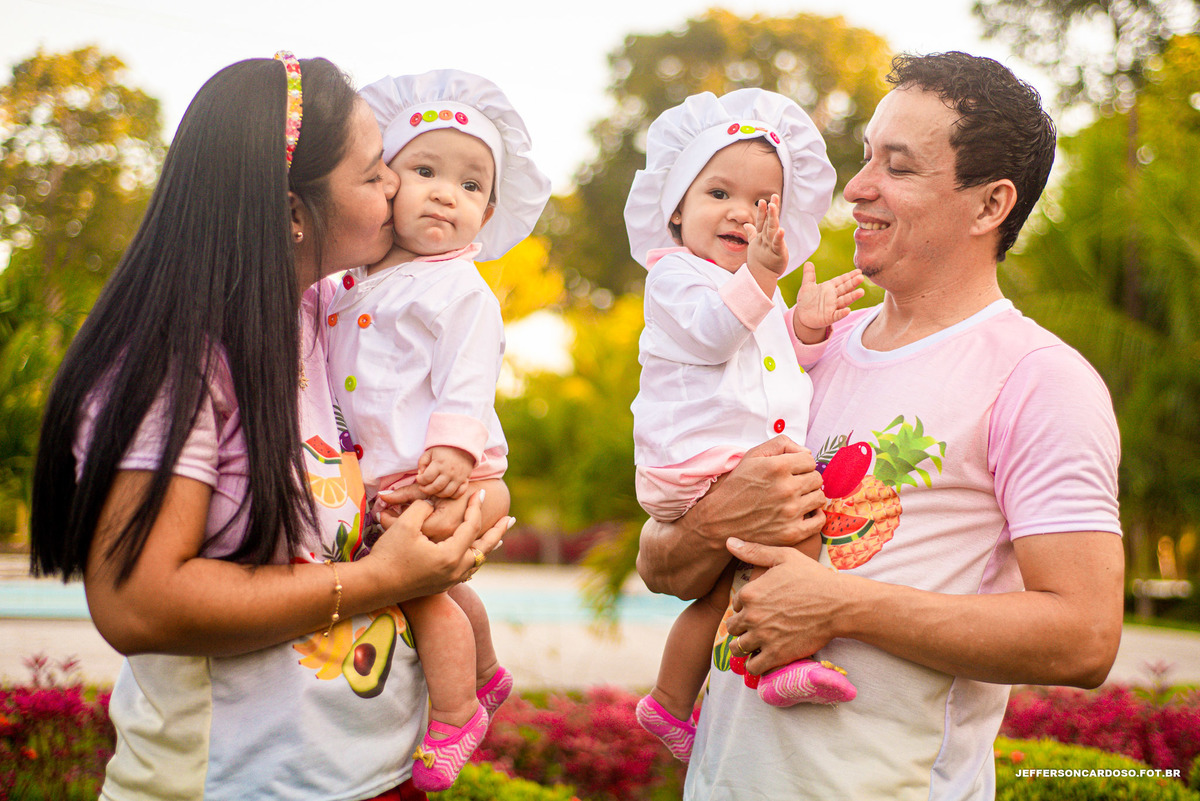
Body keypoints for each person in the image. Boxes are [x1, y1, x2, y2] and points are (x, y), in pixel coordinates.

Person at [636, 51, 1124, 800]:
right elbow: (661, 564)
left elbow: (1085, 636)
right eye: (865, 158)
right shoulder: (796, 348)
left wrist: (842, 605)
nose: (856, 189)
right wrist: (711, 525)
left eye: (897, 167)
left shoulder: (1039, 379)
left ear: (990, 205)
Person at [29, 53, 512, 801]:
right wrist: (381, 578)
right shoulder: (178, 363)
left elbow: (468, 463)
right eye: (373, 172)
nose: (397, 185)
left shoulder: (329, 323)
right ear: (293, 212)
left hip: (369, 777)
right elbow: (137, 601)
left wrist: (471, 510)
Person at [324, 69, 551, 791]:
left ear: (489, 211)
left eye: (473, 185)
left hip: (447, 469)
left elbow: (469, 375)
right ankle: (484, 672)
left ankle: (455, 717)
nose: (448, 193)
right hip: (386, 477)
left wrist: (453, 448)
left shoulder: (459, 286)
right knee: (442, 586)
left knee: (420, 591)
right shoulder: (350, 281)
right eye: (425, 170)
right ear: (385, 181)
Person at [623, 89, 864, 763]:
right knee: (798, 531)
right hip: (698, 464)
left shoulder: (752, 289)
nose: (741, 213)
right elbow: (711, 334)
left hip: (726, 462)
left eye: (763, 202)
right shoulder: (675, 278)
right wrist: (761, 276)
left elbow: (768, 357)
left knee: (735, 581)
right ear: (675, 209)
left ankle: (669, 702)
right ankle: (784, 660)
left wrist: (805, 327)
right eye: (718, 192)